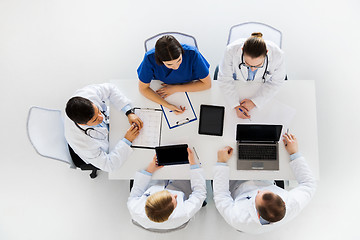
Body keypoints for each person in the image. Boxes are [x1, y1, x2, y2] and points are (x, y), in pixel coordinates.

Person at [213, 133, 316, 234]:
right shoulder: (292, 204)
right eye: (267, 191)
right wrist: (294, 153)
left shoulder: (238, 218)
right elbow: (309, 184)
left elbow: (221, 195)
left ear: (257, 215)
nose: (258, 190)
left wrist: (221, 163)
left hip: (235, 184)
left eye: (257, 195)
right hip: (265, 178)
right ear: (284, 203)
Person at [64, 83, 143, 172]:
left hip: (112, 129)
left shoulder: (86, 94)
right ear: (82, 124)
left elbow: (110, 89)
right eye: (95, 120)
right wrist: (127, 140)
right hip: (93, 153)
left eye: (98, 111)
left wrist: (129, 112)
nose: (101, 117)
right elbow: (109, 165)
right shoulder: (84, 143)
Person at [127, 148, 206, 231]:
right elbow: (199, 193)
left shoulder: (134, 208)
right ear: (173, 211)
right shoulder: (184, 212)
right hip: (181, 184)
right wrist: (194, 164)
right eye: (175, 200)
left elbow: (137, 188)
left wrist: (150, 169)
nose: (175, 195)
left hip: (155, 181)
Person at [218, 32, 286, 119]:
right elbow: (224, 79)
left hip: (259, 87)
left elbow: (277, 82)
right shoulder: (231, 51)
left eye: (258, 65)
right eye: (247, 64)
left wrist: (255, 102)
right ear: (242, 50)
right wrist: (235, 105)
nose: (252, 69)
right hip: (238, 86)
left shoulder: (278, 55)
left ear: (267, 53)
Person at [137, 35, 211, 114]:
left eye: (179, 60)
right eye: (169, 64)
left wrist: (175, 88)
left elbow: (207, 84)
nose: (176, 67)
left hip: (191, 86)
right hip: (163, 87)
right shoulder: (150, 58)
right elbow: (143, 89)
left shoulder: (192, 53)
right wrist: (168, 105)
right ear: (159, 60)